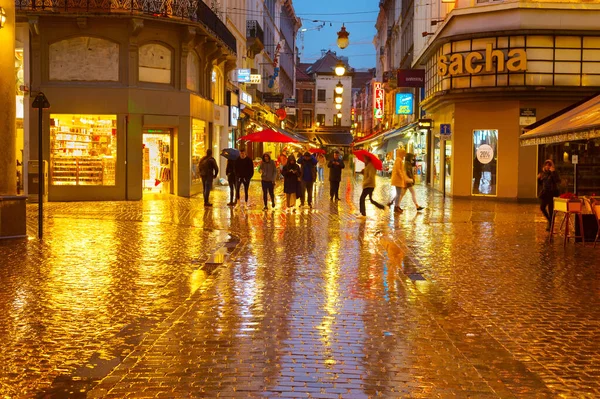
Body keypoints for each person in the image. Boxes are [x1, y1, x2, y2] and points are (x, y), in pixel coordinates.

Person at [538, 159, 560, 231]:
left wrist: (553, 172)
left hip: (552, 193)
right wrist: (538, 179)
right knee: (542, 207)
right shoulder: (543, 173)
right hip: (545, 193)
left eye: (549, 165)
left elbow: (557, 181)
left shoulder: (554, 173)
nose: (547, 166)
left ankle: (550, 225)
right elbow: (541, 184)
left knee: (551, 209)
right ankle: (549, 220)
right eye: (546, 165)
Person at [388, 148, 407, 213]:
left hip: (397, 179)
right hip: (398, 179)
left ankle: (396, 206)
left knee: (398, 193)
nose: (404, 155)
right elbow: (398, 170)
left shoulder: (399, 160)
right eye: (403, 154)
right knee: (398, 194)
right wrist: (402, 177)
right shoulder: (398, 160)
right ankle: (396, 207)